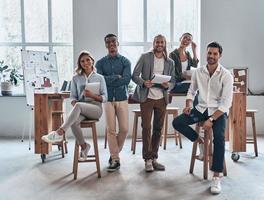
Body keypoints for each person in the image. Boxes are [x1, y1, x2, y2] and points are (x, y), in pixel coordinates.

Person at [172, 42, 233, 194]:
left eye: (215, 54)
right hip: (200, 109)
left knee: (219, 137)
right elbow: (191, 91)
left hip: (218, 112)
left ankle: (216, 177)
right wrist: (188, 104)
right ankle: (200, 142)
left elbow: (226, 104)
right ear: (206, 54)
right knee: (177, 122)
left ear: (220, 55)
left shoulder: (226, 75)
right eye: (209, 53)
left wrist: (211, 120)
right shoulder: (198, 72)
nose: (211, 56)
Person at [42, 51, 108, 161]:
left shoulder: (100, 78)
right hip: (81, 109)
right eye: (82, 61)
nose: (85, 63)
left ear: (92, 61)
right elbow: (72, 96)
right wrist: (73, 102)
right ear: (80, 63)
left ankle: (59, 132)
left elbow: (105, 97)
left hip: (95, 109)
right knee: (73, 122)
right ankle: (84, 147)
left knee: (78, 106)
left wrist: (92, 95)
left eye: (87, 60)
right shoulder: (76, 78)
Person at [132, 34, 175, 172]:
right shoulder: (145, 57)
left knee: (158, 128)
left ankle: (154, 157)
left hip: (162, 98)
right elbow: (134, 75)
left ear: (165, 44)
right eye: (157, 42)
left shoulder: (170, 62)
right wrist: (144, 82)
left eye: (162, 42)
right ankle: (147, 159)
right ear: (154, 43)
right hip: (147, 97)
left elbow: (173, 82)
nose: (159, 44)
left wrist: (168, 85)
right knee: (146, 127)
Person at [96, 33, 131, 172]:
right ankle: (115, 159)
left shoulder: (125, 61)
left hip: (122, 98)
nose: (111, 45)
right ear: (105, 45)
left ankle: (114, 153)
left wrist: (109, 79)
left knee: (124, 129)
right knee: (111, 130)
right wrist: (116, 77)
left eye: (113, 42)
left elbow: (127, 80)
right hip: (108, 99)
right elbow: (100, 81)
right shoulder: (100, 63)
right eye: (108, 43)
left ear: (117, 43)